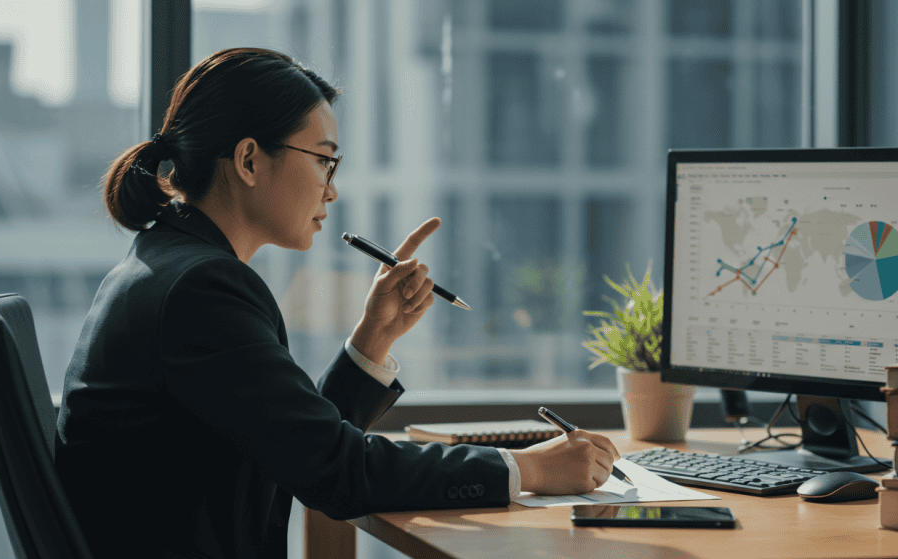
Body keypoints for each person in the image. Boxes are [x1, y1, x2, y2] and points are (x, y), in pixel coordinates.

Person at [55, 47, 621, 558]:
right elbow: (336, 472)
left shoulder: (168, 263)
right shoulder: (200, 289)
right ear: (250, 161)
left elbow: (295, 446)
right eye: (324, 159)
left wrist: (372, 340)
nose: (332, 187)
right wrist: (529, 468)